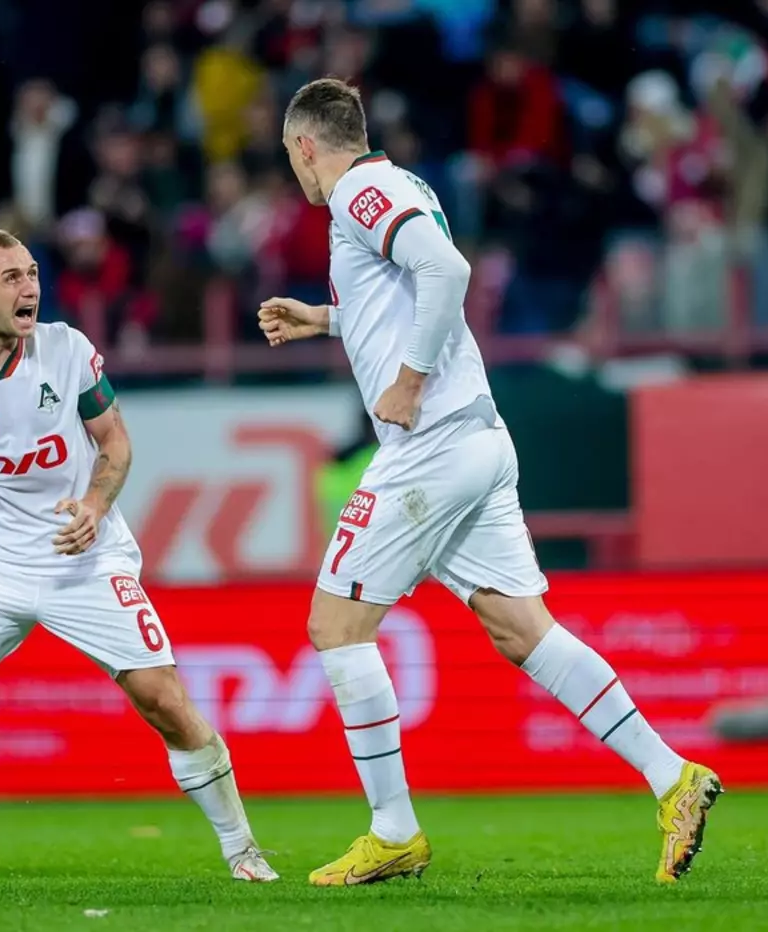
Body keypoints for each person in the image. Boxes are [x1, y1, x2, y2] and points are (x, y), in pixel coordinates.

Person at [259, 78, 721, 887]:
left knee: (335, 626)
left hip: (431, 444)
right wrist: (321, 317)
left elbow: (446, 270)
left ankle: (393, 831)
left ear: (303, 146)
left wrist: (409, 380)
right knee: (521, 630)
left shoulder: (359, 191)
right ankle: (672, 776)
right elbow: (401, 292)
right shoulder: (396, 183)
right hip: (476, 436)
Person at [0, 228, 277, 884]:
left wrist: (95, 505)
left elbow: (115, 442)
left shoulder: (67, 349)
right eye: (11, 277)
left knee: (164, 701)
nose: (30, 287)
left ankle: (243, 849)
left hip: (86, 559)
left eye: (32, 273)